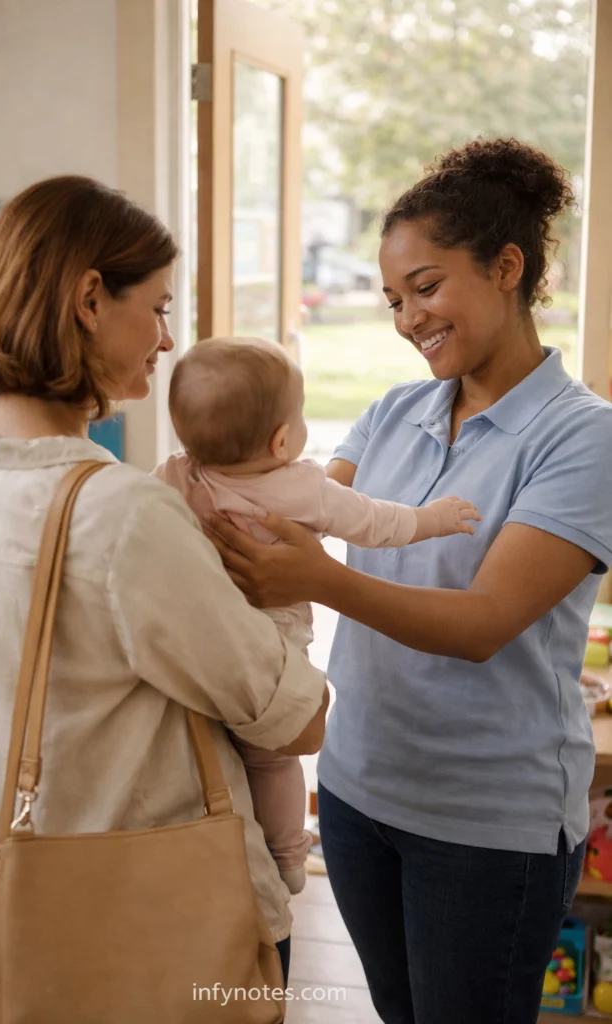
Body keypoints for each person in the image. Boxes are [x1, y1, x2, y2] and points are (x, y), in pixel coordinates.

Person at [204, 138, 612, 1024]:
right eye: (393, 298)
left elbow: (481, 623)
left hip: (485, 823)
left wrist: (316, 577)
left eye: (425, 288)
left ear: (507, 267)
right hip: (357, 790)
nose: (405, 318)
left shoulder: (583, 438)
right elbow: (303, 507)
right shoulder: (398, 407)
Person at [0, 175, 328, 999]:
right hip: (158, 922)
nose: (167, 338)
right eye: (156, 306)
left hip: (25, 903)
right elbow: (296, 719)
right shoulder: (117, 513)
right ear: (87, 300)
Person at [157, 334, 480, 895]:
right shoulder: (303, 488)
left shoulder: (177, 477)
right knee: (275, 760)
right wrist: (433, 519)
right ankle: (286, 856)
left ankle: (216, 842)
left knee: (207, 750)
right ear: (282, 439)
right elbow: (376, 522)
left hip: (203, 641)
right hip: (272, 651)